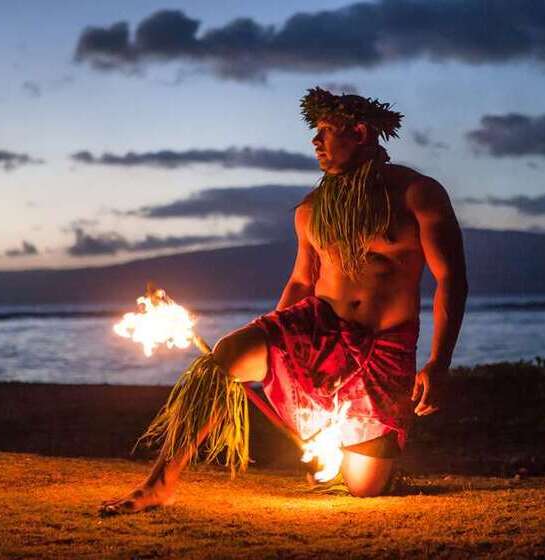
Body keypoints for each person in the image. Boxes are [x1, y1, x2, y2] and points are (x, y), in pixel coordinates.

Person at [100, 87, 468, 514]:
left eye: (326, 131)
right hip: (316, 326)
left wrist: (439, 361)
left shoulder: (416, 194)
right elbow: (300, 281)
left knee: (365, 488)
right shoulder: (311, 209)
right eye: (315, 132)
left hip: (382, 345)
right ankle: (159, 482)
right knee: (226, 356)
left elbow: (451, 280)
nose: (315, 142)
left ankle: (375, 467)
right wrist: (277, 352)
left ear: (362, 132)